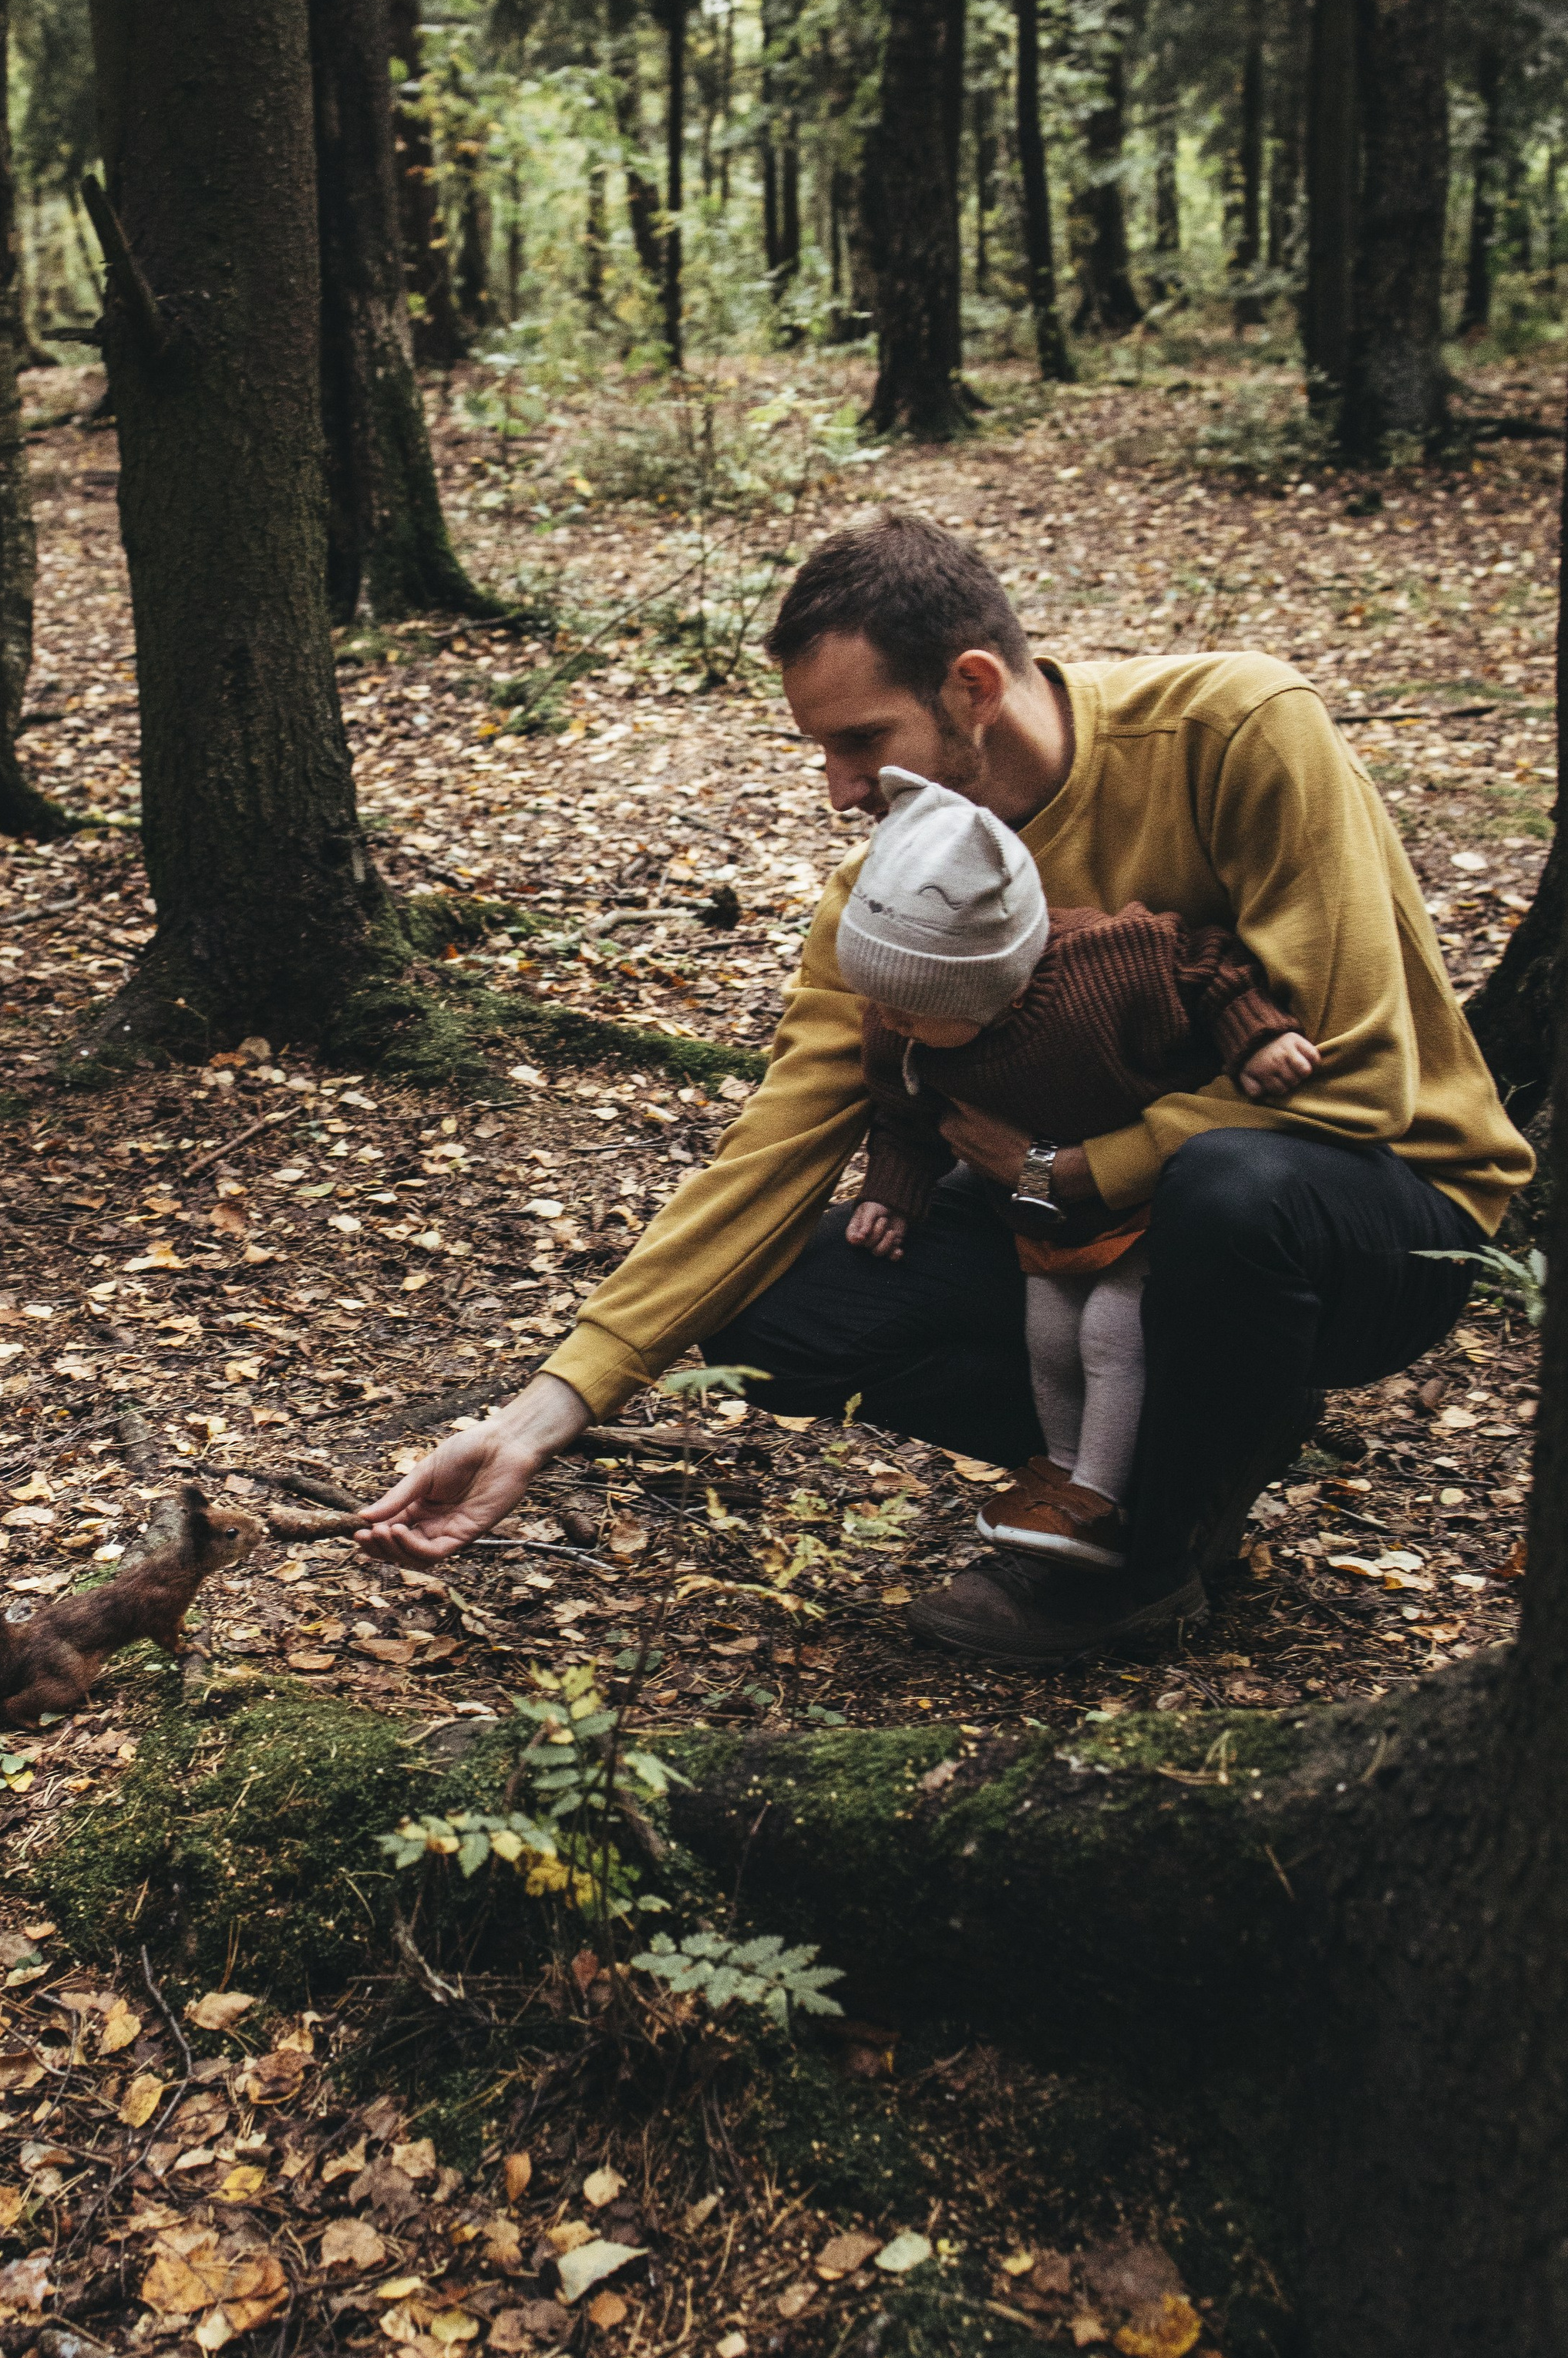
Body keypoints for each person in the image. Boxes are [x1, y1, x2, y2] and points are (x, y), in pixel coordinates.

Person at [356, 510, 1533, 1667]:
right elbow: (777, 1143)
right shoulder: (891, 895)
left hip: (1377, 1208)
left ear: (973, 687)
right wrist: (543, 1412)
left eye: (862, 741)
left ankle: (1149, 1557)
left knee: (1231, 1189)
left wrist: (1066, 1171)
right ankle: (1182, 1444)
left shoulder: (1233, 730)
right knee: (771, 1311)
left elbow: (1360, 1079)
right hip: (1079, 1231)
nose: (836, 788)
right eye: (820, 749)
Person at [841, 763, 1319, 1573]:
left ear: (995, 984)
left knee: (1108, 1331)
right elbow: (905, 1112)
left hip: (1154, 1198)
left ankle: (1099, 1493)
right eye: (879, 999)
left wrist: (1256, 1034)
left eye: (913, 1005)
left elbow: (1206, 969)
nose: (890, 1021)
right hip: (1042, 1215)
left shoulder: (1111, 967)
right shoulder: (905, 1028)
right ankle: (1061, 1470)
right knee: (1050, 1335)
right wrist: (893, 1192)